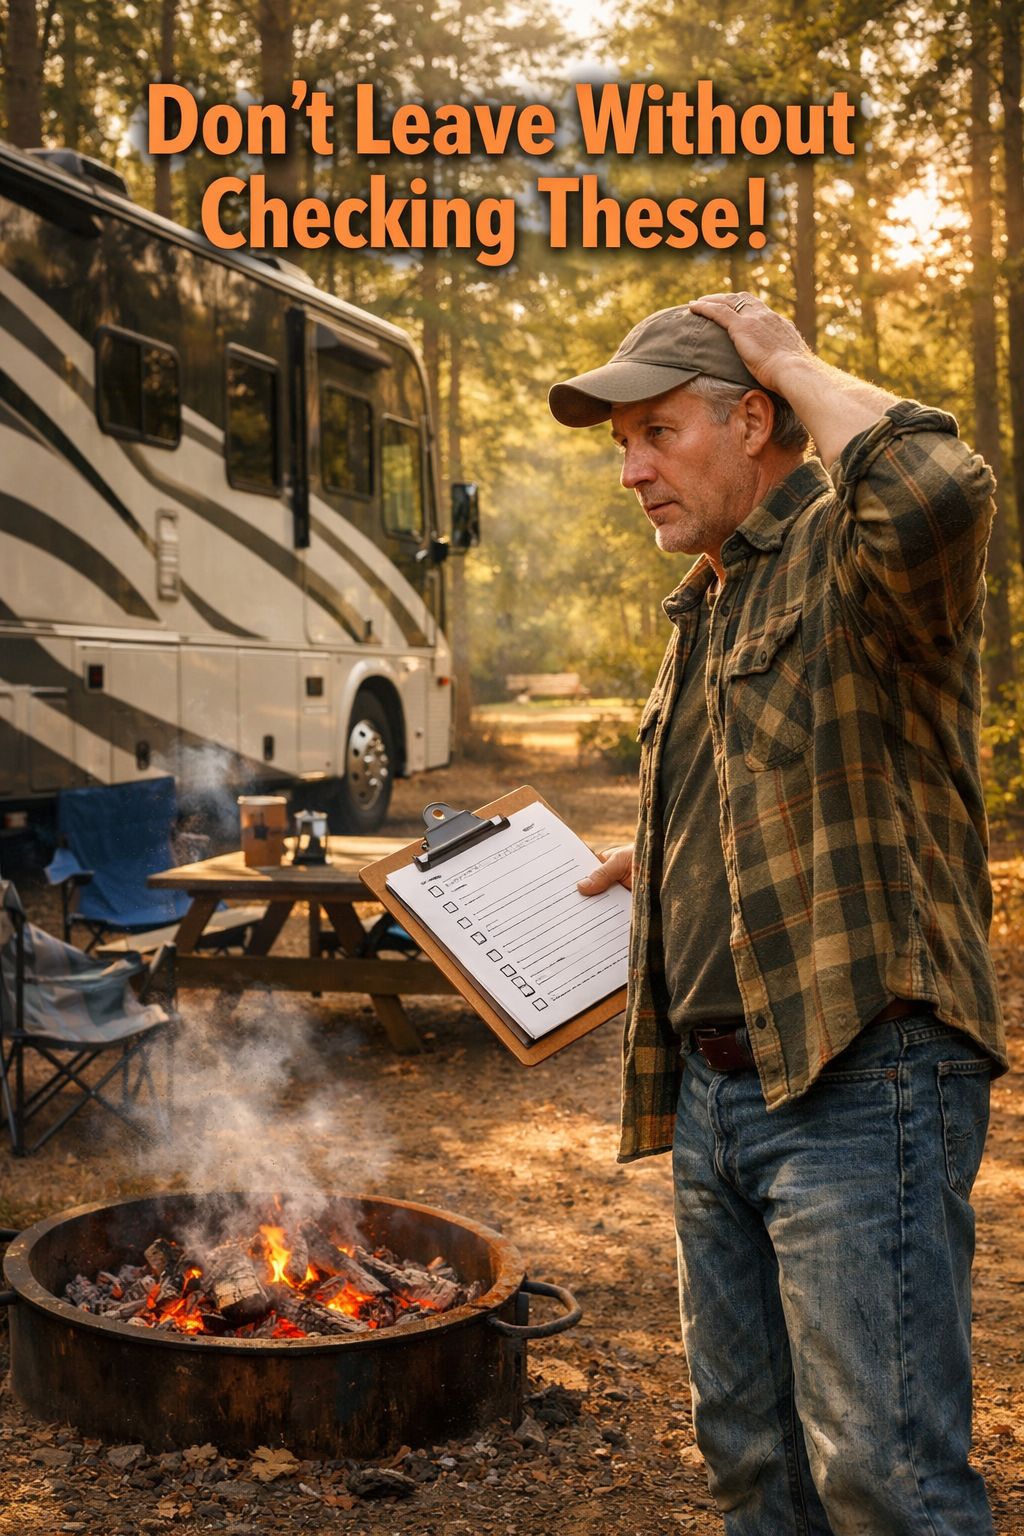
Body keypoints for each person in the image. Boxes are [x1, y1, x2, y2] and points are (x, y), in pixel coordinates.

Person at [549, 295, 1008, 1536]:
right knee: (754, 1463)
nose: (632, 471)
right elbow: (778, 784)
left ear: (754, 421)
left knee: (885, 1483)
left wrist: (791, 358)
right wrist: (664, 863)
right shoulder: (707, 603)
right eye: (622, 446)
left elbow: (936, 485)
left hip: (858, 1078)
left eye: (657, 433)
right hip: (713, 1098)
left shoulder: (848, 551)